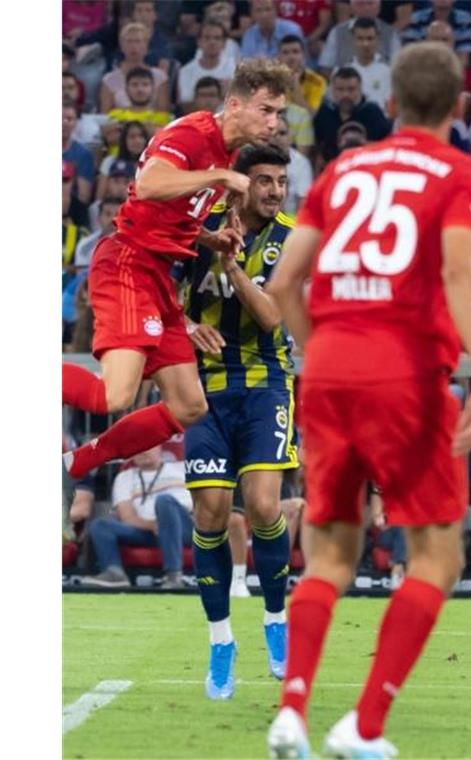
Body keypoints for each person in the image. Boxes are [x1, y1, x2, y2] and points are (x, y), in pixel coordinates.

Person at [264, 41, 471, 758]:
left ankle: (292, 712)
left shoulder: (339, 169)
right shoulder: (463, 174)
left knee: (329, 553)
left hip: (329, 367)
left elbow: (281, 286)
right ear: (458, 108)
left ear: (389, 103)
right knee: (435, 558)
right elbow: (459, 269)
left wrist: (326, 346)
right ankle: (362, 726)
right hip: (405, 375)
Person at [62, 60, 293, 483]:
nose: (273, 122)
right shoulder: (193, 135)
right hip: (128, 263)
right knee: (113, 394)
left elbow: (170, 212)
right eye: (265, 110)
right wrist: (223, 175)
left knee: (189, 405)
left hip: (158, 274)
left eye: (279, 113)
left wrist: (209, 238)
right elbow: (150, 184)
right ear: (236, 104)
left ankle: (70, 467)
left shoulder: (228, 151)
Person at [177, 144, 298, 701]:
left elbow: (273, 316)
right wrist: (180, 327)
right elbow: (158, 293)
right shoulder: (193, 230)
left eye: (281, 180)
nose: (275, 190)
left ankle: (276, 620)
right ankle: (220, 639)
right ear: (240, 185)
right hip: (203, 389)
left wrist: (231, 267)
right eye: (265, 181)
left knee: (267, 506)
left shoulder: (291, 239)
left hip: (266, 385)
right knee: (212, 512)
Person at [78, 445, 193, 589]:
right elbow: (128, 517)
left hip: (184, 528)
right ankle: (115, 574)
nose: (142, 450)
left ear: (160, 448)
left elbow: (204, 502)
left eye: (148, 445)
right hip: (147, 531)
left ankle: (174, 576)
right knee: (100, 525)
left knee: (164, 501)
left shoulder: (182, 469)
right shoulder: (124, 477)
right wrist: (153, 526)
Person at [312, 67, 392, 166]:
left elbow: (387, 146)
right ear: (332, 90)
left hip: (365, 169)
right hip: (332, 170)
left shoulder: (372, 112)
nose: (345, 94)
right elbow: (317, 148)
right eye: (340, 89)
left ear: (360, 89)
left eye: (351, 89)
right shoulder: (325, 112)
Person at [345, 17, 393, 109]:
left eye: (370, 38)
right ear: (353, 41)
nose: (365, 44)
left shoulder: (388, 72)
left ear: (377, 40)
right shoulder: (344, 71)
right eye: (360, 39)